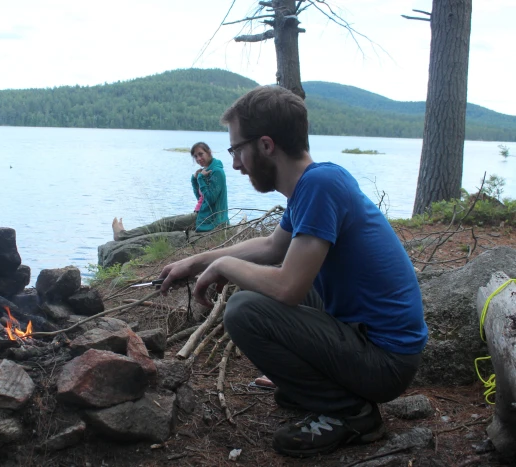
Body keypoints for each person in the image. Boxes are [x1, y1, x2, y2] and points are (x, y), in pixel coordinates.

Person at [158, 86, 427, 458]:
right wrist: (197, 261)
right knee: (268, 281)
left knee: (245, 309)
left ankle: (352, 414)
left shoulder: (320, 185)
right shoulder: (312, 185)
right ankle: (317, 388)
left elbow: (288, 288)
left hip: (385, 361)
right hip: (367, 339)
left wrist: (224, 266)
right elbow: (272, 247)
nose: (235, 164)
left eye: (237, 150)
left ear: (266, 145)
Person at [111, 142, 228, 241]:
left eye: (201, 154)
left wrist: (201, 179)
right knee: (164, 222)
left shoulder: (216, 172)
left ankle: (122, 235)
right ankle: (124, 234)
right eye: (195, 156)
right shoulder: (206, 171)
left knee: (163, 224)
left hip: (209, 219)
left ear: (209, 152)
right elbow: (201, 200)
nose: (198, 159)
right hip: (202, 215)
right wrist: (195, 180)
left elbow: (211, 200)